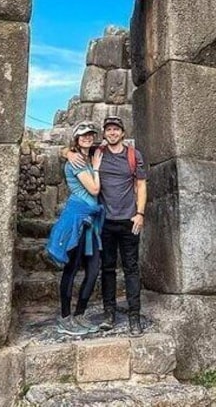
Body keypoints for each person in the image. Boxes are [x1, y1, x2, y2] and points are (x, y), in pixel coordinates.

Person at [67, 115, 147, 337]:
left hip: (129, 220)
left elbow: (141, 185)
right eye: (109, 129)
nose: (112, 133)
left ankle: (134, 315)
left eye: (116, 129)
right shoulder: (97, 152)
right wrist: (68, 153)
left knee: (131, 268)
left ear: (123, 133)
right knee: (108, 269)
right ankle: (109, 313)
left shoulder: (133, 155)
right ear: (104, 134)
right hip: (105, 221)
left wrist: (140, 213)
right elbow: (73, 149)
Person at [45, 121, 105, 336]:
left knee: (93, 269)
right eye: (83, 135)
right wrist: (93, 166)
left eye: (90, 134)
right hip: (77, 219)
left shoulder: (89, 157)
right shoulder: (78, 161)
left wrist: (66, 152)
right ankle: (65, 317)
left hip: (91, 221)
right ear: (76, 139)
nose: (87, 137)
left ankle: (79, 314)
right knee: (71, 269)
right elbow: (94, 189)